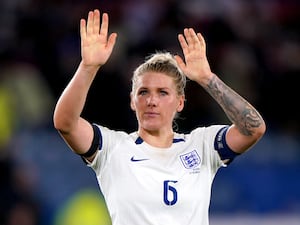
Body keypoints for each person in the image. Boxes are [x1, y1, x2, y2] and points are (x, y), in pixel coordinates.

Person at [53, 9, 266, 225]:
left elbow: (253, 129)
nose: (151, 101)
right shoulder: (112, 148)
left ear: (180, 102)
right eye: (143, 92)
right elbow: (65, 123)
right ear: (132, 101)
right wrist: (88, 67)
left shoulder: (202, 145)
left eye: (162, 93)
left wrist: (207, 78)